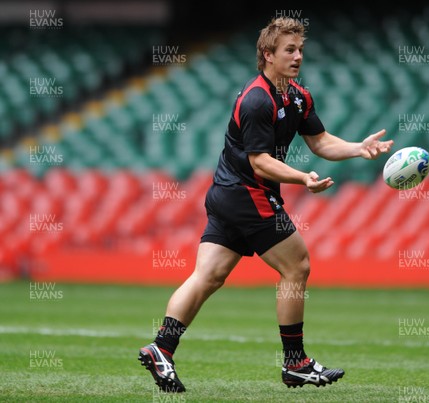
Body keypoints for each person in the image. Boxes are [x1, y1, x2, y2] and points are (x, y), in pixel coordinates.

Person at [138, 16, 393, 393]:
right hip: (246, 195)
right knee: (297, 265)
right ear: (267, 54)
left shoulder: (298, 96)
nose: (298, 56)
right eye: (289, 50)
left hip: (228, 194)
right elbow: (259, 162)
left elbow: (320, 142)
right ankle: (296, 364)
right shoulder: (257, 99)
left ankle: (162, 348)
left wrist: (359, 148)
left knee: (207, 276)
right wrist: (302, 177)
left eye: (300, 49)